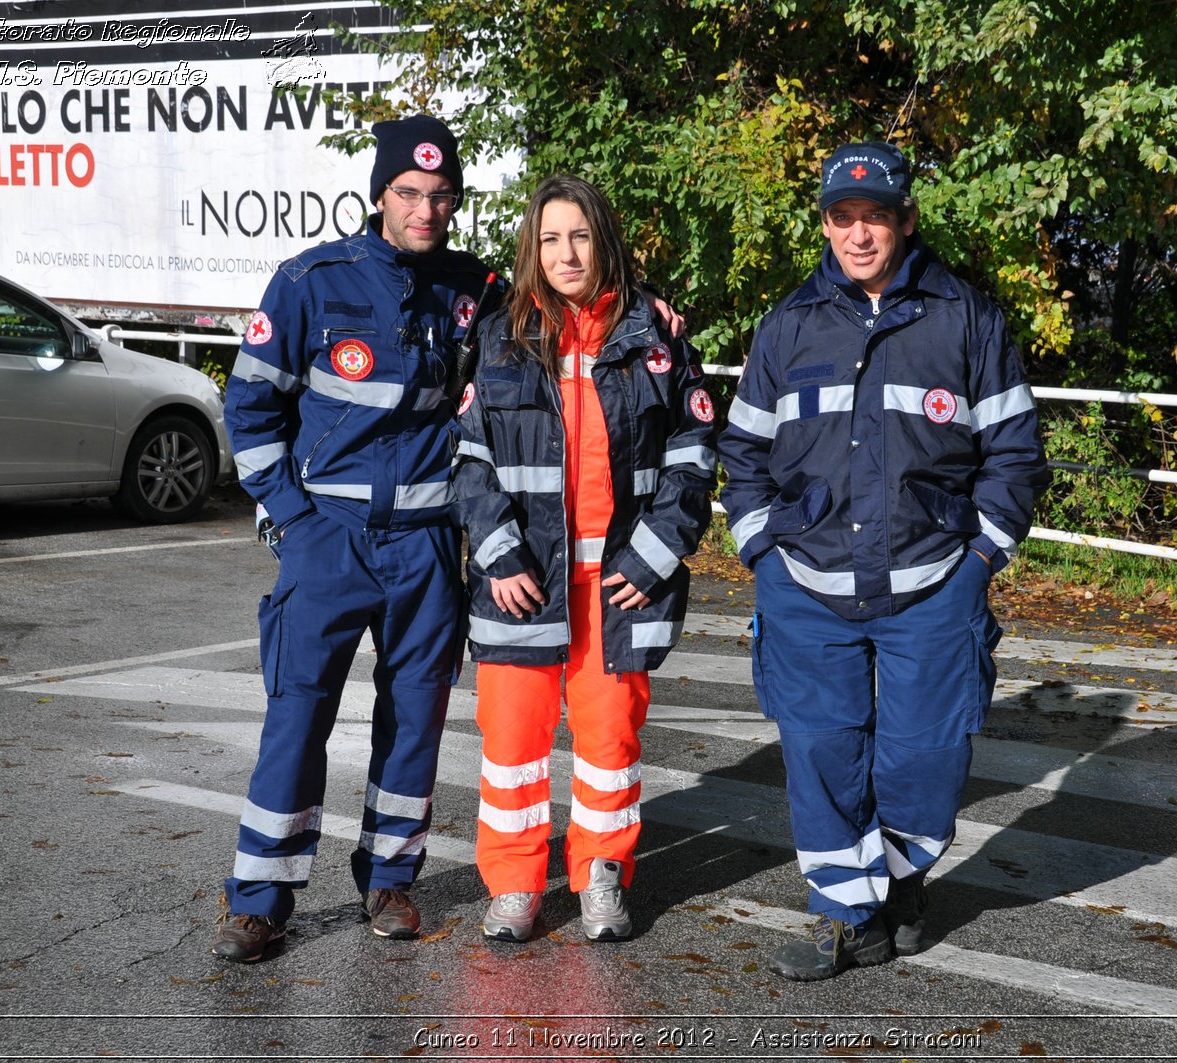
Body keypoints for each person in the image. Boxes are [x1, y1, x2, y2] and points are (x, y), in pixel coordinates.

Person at [718, 141, 1050, 981]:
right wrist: (761, 550)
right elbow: (744, 451)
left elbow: (1016, 454)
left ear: (905, 218)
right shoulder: (787, 324)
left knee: (924, 759)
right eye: (843, 217)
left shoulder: (966, 317)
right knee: (823, 756)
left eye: (875, 216)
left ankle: (900, 881)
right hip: (807, 585)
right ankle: (842, 915)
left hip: (936, 582)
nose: (859, 234)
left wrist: (982, 556)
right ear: (825, 223)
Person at [210, 115, 495, 962]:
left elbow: (564, 306)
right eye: (409, 193)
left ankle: (391, 880)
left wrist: (644, 305)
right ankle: (260, 898)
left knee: (415, 720)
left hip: (426, 547)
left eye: (441, 197)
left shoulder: (473, 288)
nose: (426, 210)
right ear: (379, 194)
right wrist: (292, 518)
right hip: (327, 537)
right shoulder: (310, 281)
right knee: (296, 717)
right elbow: (249, 406)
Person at [452, 174, 718, 944]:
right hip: (522, 585)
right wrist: (499, 556)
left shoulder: (653, 336)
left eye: (580, 235)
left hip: (618, 585)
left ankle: (602, 872)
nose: (566, 253)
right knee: (511, 746)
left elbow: (695, 452)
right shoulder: (500, 336)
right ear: (532, 249)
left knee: (609, 745)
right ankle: (513, 884)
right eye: (550, 238)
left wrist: (655, 554)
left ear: (603, 238)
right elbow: (469, 460)